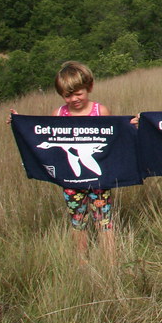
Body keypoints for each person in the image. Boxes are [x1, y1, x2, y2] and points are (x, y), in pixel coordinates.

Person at [52, 61, 115, 261]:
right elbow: (42, 136)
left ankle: (110, 261)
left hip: (98, 178)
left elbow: (113, 138)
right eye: (67, 95)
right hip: (72, 180)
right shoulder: (58, 115)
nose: (74, 99)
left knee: (104, 220)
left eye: (78, 93)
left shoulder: (100, 111)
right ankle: (81, 262)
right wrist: (19, 123)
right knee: (78, 220)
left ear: (89, 87)